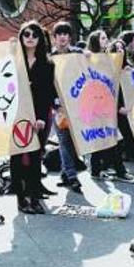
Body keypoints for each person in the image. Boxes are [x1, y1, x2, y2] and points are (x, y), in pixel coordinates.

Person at [14, 21, 57, 214]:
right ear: (21, 37)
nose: (30, 38)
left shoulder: (47, 64)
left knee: (34, 156)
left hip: (37, 114)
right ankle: (21, 198)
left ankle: (34, 195)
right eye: (26, 34)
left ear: (40, 39)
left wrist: (40, 116)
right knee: (16, 156)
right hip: (16, 114)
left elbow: (47, 92)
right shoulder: (13, 60)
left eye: (34, 35)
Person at [86, 30, 134, 184]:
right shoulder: (89, 57)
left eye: (106, 38)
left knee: (106, 137)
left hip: (108, 104)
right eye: (102, 38)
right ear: (95, 41)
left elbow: (114, 82)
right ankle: (119, 171)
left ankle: (96, 169)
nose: (106, 40)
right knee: (106, 138)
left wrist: (123, 69)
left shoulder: (109, 59)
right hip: (96, 105)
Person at [50, 21, 85, 193]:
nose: (63, 37)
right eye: (59, 34)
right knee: (64, 140)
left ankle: (65, 173)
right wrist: (54, 104)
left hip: (77, 104)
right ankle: (72, 176)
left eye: (66, 34)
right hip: (59, 107)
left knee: (73, 140)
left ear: (70, 37)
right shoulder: (49, 57)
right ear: (54, 38)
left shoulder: (79, 54)